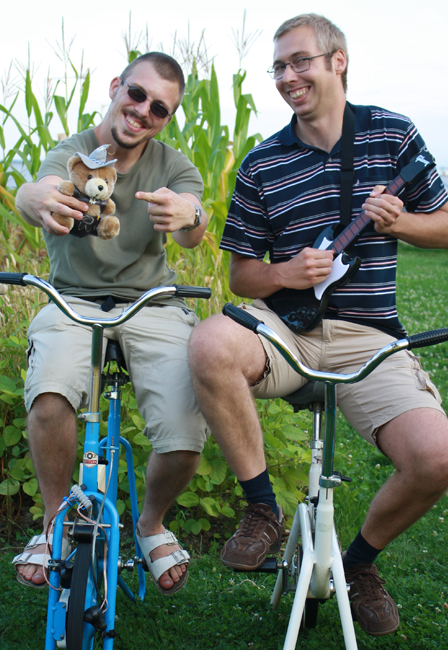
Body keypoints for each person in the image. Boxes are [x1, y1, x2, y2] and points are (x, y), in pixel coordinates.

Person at [188, 13, 448, 636]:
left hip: (367, 335)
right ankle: (261, 512)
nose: (287, 76)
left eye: (299, 60)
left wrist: (399, 224)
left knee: (437, 458)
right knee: (209, 342)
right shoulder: (262, 162)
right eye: (278, 66)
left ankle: (358, 565)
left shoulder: (393, 134)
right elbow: (241, 279)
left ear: (338, 60)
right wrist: (285, 273)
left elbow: (442, 227)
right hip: (283, 328)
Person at [13, 51, 209, 596]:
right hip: (72, 300)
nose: (143, 111)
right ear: (117, 85)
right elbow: (37, 193)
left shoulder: (173, 165)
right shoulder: (72, 154)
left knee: (184, 434)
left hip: (152, 304)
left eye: (160, 108)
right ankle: (56, 521)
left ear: (168, 118)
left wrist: (187, 216)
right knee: (50, 395)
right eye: (138, 95)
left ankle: (149, 523)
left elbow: (194, 220)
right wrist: (36, 199)